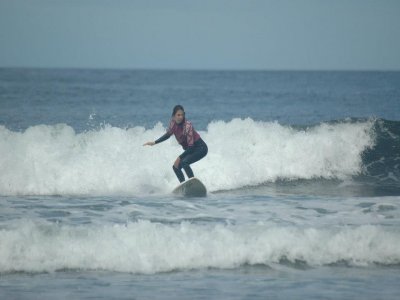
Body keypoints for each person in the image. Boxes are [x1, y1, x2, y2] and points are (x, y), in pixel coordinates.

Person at [143, 105, 208, 183]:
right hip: (191, 149)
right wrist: (154, 142)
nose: (181, 117)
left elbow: (191, 147)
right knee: (175, 167)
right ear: (173, 116)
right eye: (178, 115)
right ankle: (183, 185)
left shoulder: (187, 126)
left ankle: (193, 183)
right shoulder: (173, 123)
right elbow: (168, 134)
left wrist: (179, 158)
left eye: (182, 115)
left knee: (184, 162)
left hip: (200, 148)